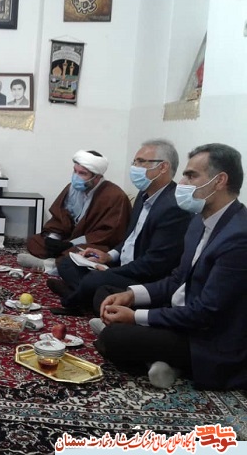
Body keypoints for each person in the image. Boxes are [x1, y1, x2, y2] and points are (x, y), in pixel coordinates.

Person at [94, 143, 247, 390]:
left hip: (205, 336)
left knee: (113, 337)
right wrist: (131, 295)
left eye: (191, 176)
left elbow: (205, 313)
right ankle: (160, 359)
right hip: (181, 313)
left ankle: (165, 357)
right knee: (109, 293)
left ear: (220, 181)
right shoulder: (199, 222)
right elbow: (178, 280)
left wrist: (136, 317)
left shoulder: (239, 237)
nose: (182, 182)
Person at [48, 140, 193, 316]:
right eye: (135, 162)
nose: (135, 167)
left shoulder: (174, 207)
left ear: (163, 167)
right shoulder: (144, 193)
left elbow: (154, 264)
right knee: (68, 263)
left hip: (143, 277)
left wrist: (111, 271)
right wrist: (108, 256)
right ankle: (86, 294)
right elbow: (131, 237)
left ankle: (74, 299)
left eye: (141, 162)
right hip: (122, 265)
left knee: (95, 279)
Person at [18, 150, 131, 270]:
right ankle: (58, 260)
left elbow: (108, 234)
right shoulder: (72, 188)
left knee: (83, 252)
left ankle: (51, 265)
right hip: (68, 238)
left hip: (93, 243)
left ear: (97, 177)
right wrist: (54, 239)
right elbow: (60, 217)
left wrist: (71, 243)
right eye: (75, 171)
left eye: (82, 173)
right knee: (35, 241)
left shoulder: (115, 196)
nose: (76, 176)